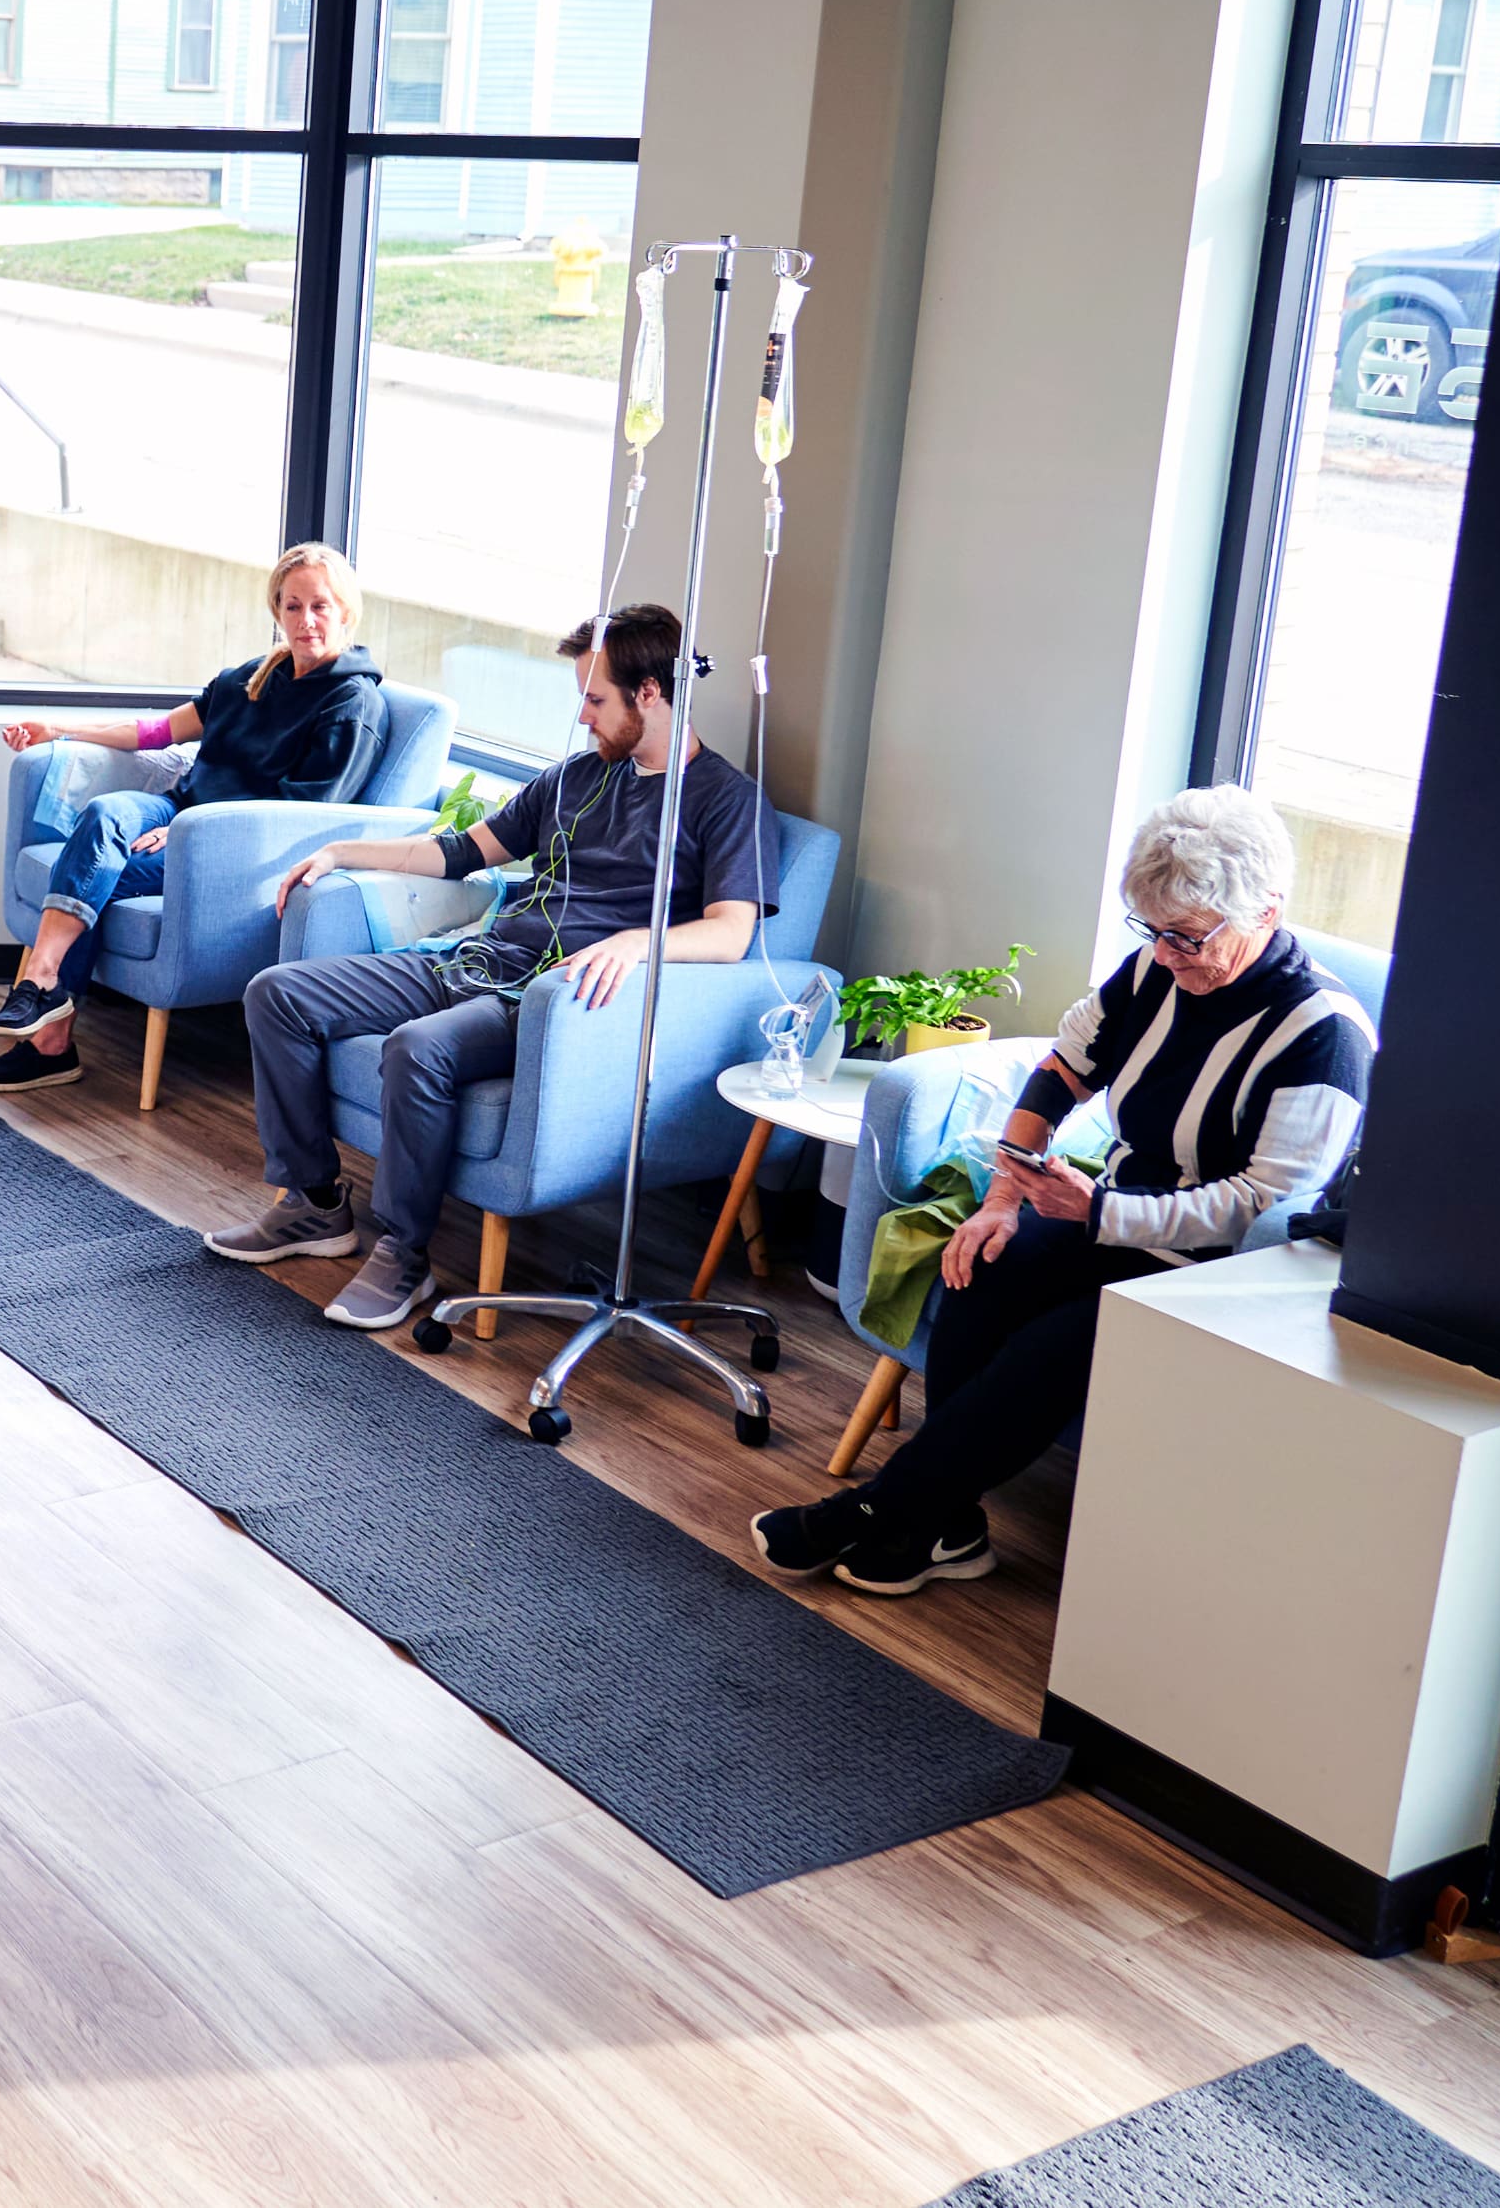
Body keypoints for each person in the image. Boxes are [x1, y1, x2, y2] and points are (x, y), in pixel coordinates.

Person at [751, 790, 1371, 1597]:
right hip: (1113, 1216)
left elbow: (1262, 1207)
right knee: (975, 1267)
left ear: (1267, 911)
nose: (1169, 953)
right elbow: (1062, 1067)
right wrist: (1004, 1195)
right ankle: (948, 1523)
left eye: (1189, 936)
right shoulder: (1156, 968)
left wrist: (1099, 1210)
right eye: (1152, 930)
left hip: (1214, 1272)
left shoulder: (1325, 1036)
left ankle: (872, 1510)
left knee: (1051, 1350)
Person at [210, 602, 770, 1331]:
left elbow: (731, 934)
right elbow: (457, 853)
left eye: (595, 699)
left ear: (652, 694)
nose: (582, 717)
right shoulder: (575, 778)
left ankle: (405, 1254)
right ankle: (315, 1205)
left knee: (420, 1047)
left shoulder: (725, 800)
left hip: (553, 1000)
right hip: (471, 959)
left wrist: (638, 941)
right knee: (277, 994)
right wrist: (343, 851)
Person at [0, 542, 387, 1095]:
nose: (305, 621)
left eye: (320, 606)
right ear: (276, 611)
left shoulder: (353, 703)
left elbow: (304, 816)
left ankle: (50, 1040)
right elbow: (155, 734)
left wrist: (194, 831)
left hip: (230, 849)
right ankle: (42, 980)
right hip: (177, 812)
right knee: (105, 813)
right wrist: (61, 732)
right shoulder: (252, 678)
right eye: (292, 606)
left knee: (91, 872)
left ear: (346, 611)